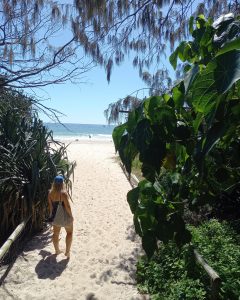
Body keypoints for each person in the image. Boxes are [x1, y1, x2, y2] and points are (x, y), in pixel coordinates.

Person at [48, 175, 73, 258]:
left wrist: (51, 217)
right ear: (62, 183)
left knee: (55, 234)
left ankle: (57, 251)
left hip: (55, 216)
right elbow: (68, 207)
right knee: (69, 233)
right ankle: (67, 252)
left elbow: (51, 207)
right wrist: (71, 216)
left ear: (54, 183)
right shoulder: (63, 193)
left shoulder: (50, 193)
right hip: (65, 216)